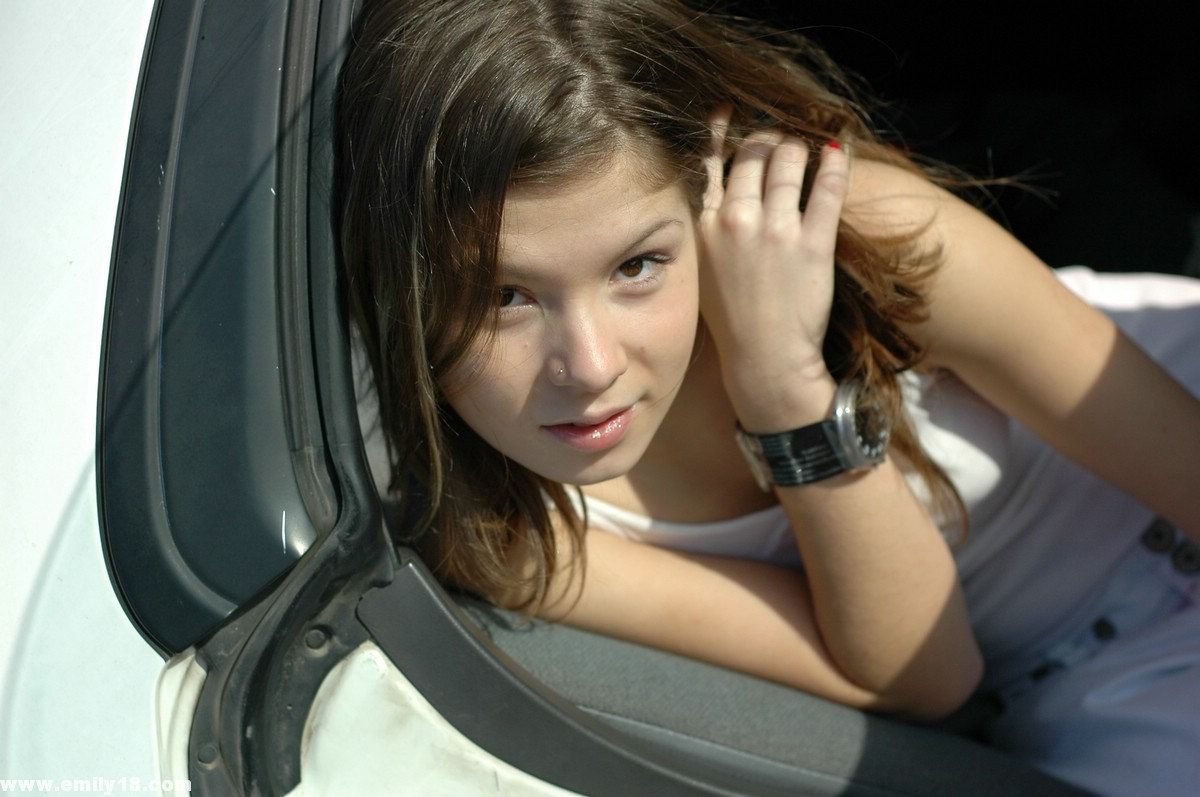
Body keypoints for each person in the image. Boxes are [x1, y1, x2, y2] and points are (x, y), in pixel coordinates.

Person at [334, 0, 1200, 793]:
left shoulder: (858, 236)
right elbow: (924, 679)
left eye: (638, 266)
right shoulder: (509, 528)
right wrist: (782, 385)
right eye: (503, 296)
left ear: (704, 188)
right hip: (1096, 688)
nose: (590, 365)